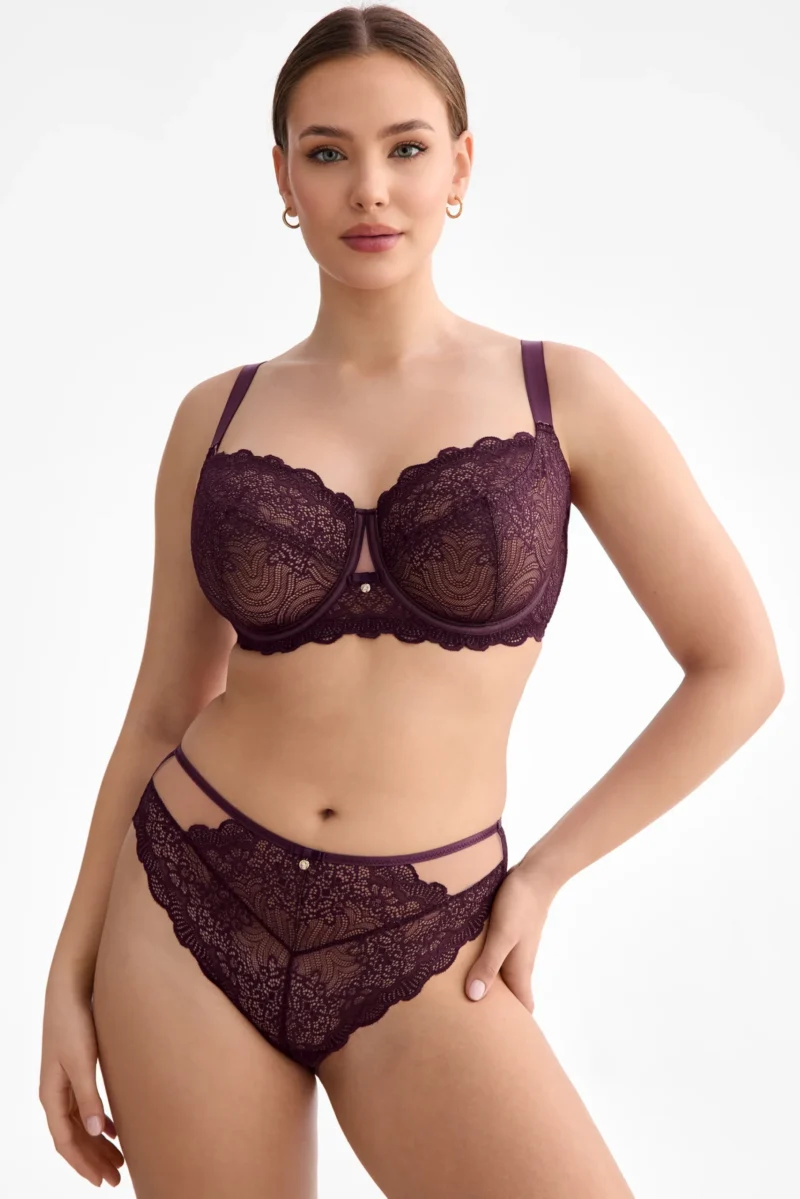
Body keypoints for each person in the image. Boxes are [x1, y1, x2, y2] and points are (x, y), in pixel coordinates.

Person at [39, 5, 784, 1196]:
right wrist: (66, 974)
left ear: (459, 165)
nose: (369, 188)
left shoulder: (562, 396)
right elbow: (160, 710)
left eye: (405, 147)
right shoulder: (213, 417)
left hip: (432, 929)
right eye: (326, 152)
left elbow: (737, 665)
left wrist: (540, 874)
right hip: (185, 900)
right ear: (282, 178)